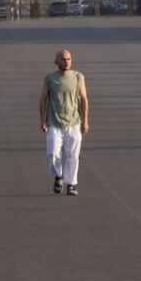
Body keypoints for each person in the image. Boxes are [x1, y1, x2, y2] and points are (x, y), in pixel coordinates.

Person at [39, 47, 89, 197]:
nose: (66, 62)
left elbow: (84, 99)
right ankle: (58, 176)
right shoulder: (50, 78)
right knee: (52, 154)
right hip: (54, 123)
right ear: (56, 62)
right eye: (62, 59)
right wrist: (43, 120)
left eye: (68, 59)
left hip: (74, 123)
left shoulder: (78, 77)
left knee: (73, 155)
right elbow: (43, 99)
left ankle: (71, 184)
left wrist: (85, 121)